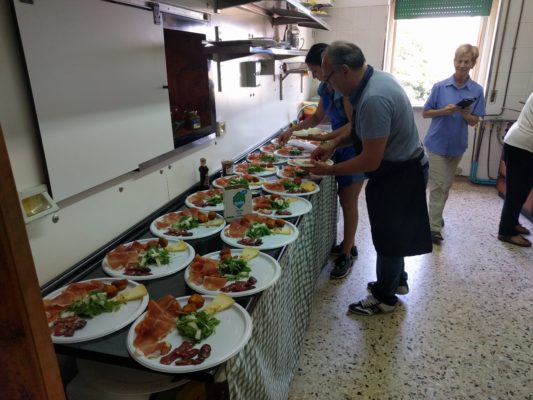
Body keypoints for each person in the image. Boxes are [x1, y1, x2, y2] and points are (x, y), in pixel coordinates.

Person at [305, 41, 432, 315]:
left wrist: (329, 170)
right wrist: (332, 146)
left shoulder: (373, 98)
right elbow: (362, 131)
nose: (328, 86)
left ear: (345, 70)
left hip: (399, 172)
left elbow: (369, 159)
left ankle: (384, 298)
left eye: (328, 78)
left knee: (388, 235)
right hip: (401, 167)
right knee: (395, 233)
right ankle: (396, 280)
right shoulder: (376, 79)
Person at [279, 43, 365, 279]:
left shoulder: (343, 90)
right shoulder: (326, 89)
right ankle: (349, 244)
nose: (315, 76)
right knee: (343, 197)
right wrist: (293, 131)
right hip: (336, 145)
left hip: (350, 146)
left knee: (349, 200)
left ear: (329, 67)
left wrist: (329, 140)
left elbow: (352, 125)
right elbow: (317, 117)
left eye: (316, 71)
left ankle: (347, 254)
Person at [422, 44, 486, 244]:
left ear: (473, 64)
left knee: (446, 186)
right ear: (454, 61)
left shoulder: (477, 90)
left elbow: (476, 120)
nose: (463, 65)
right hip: (436, 144)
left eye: (467, 61)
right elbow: (426, 113)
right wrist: (443, 111)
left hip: (457, 145)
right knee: (439, 185)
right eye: (460, 60)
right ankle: (433, 228)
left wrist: (467, 115)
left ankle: (436, 215)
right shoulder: (440, 87)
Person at [497, 92, 533, 247]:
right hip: (522, 146)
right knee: (516, 193)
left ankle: (513, 222)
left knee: (522, 191)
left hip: (522, 144)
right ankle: (506, 232)